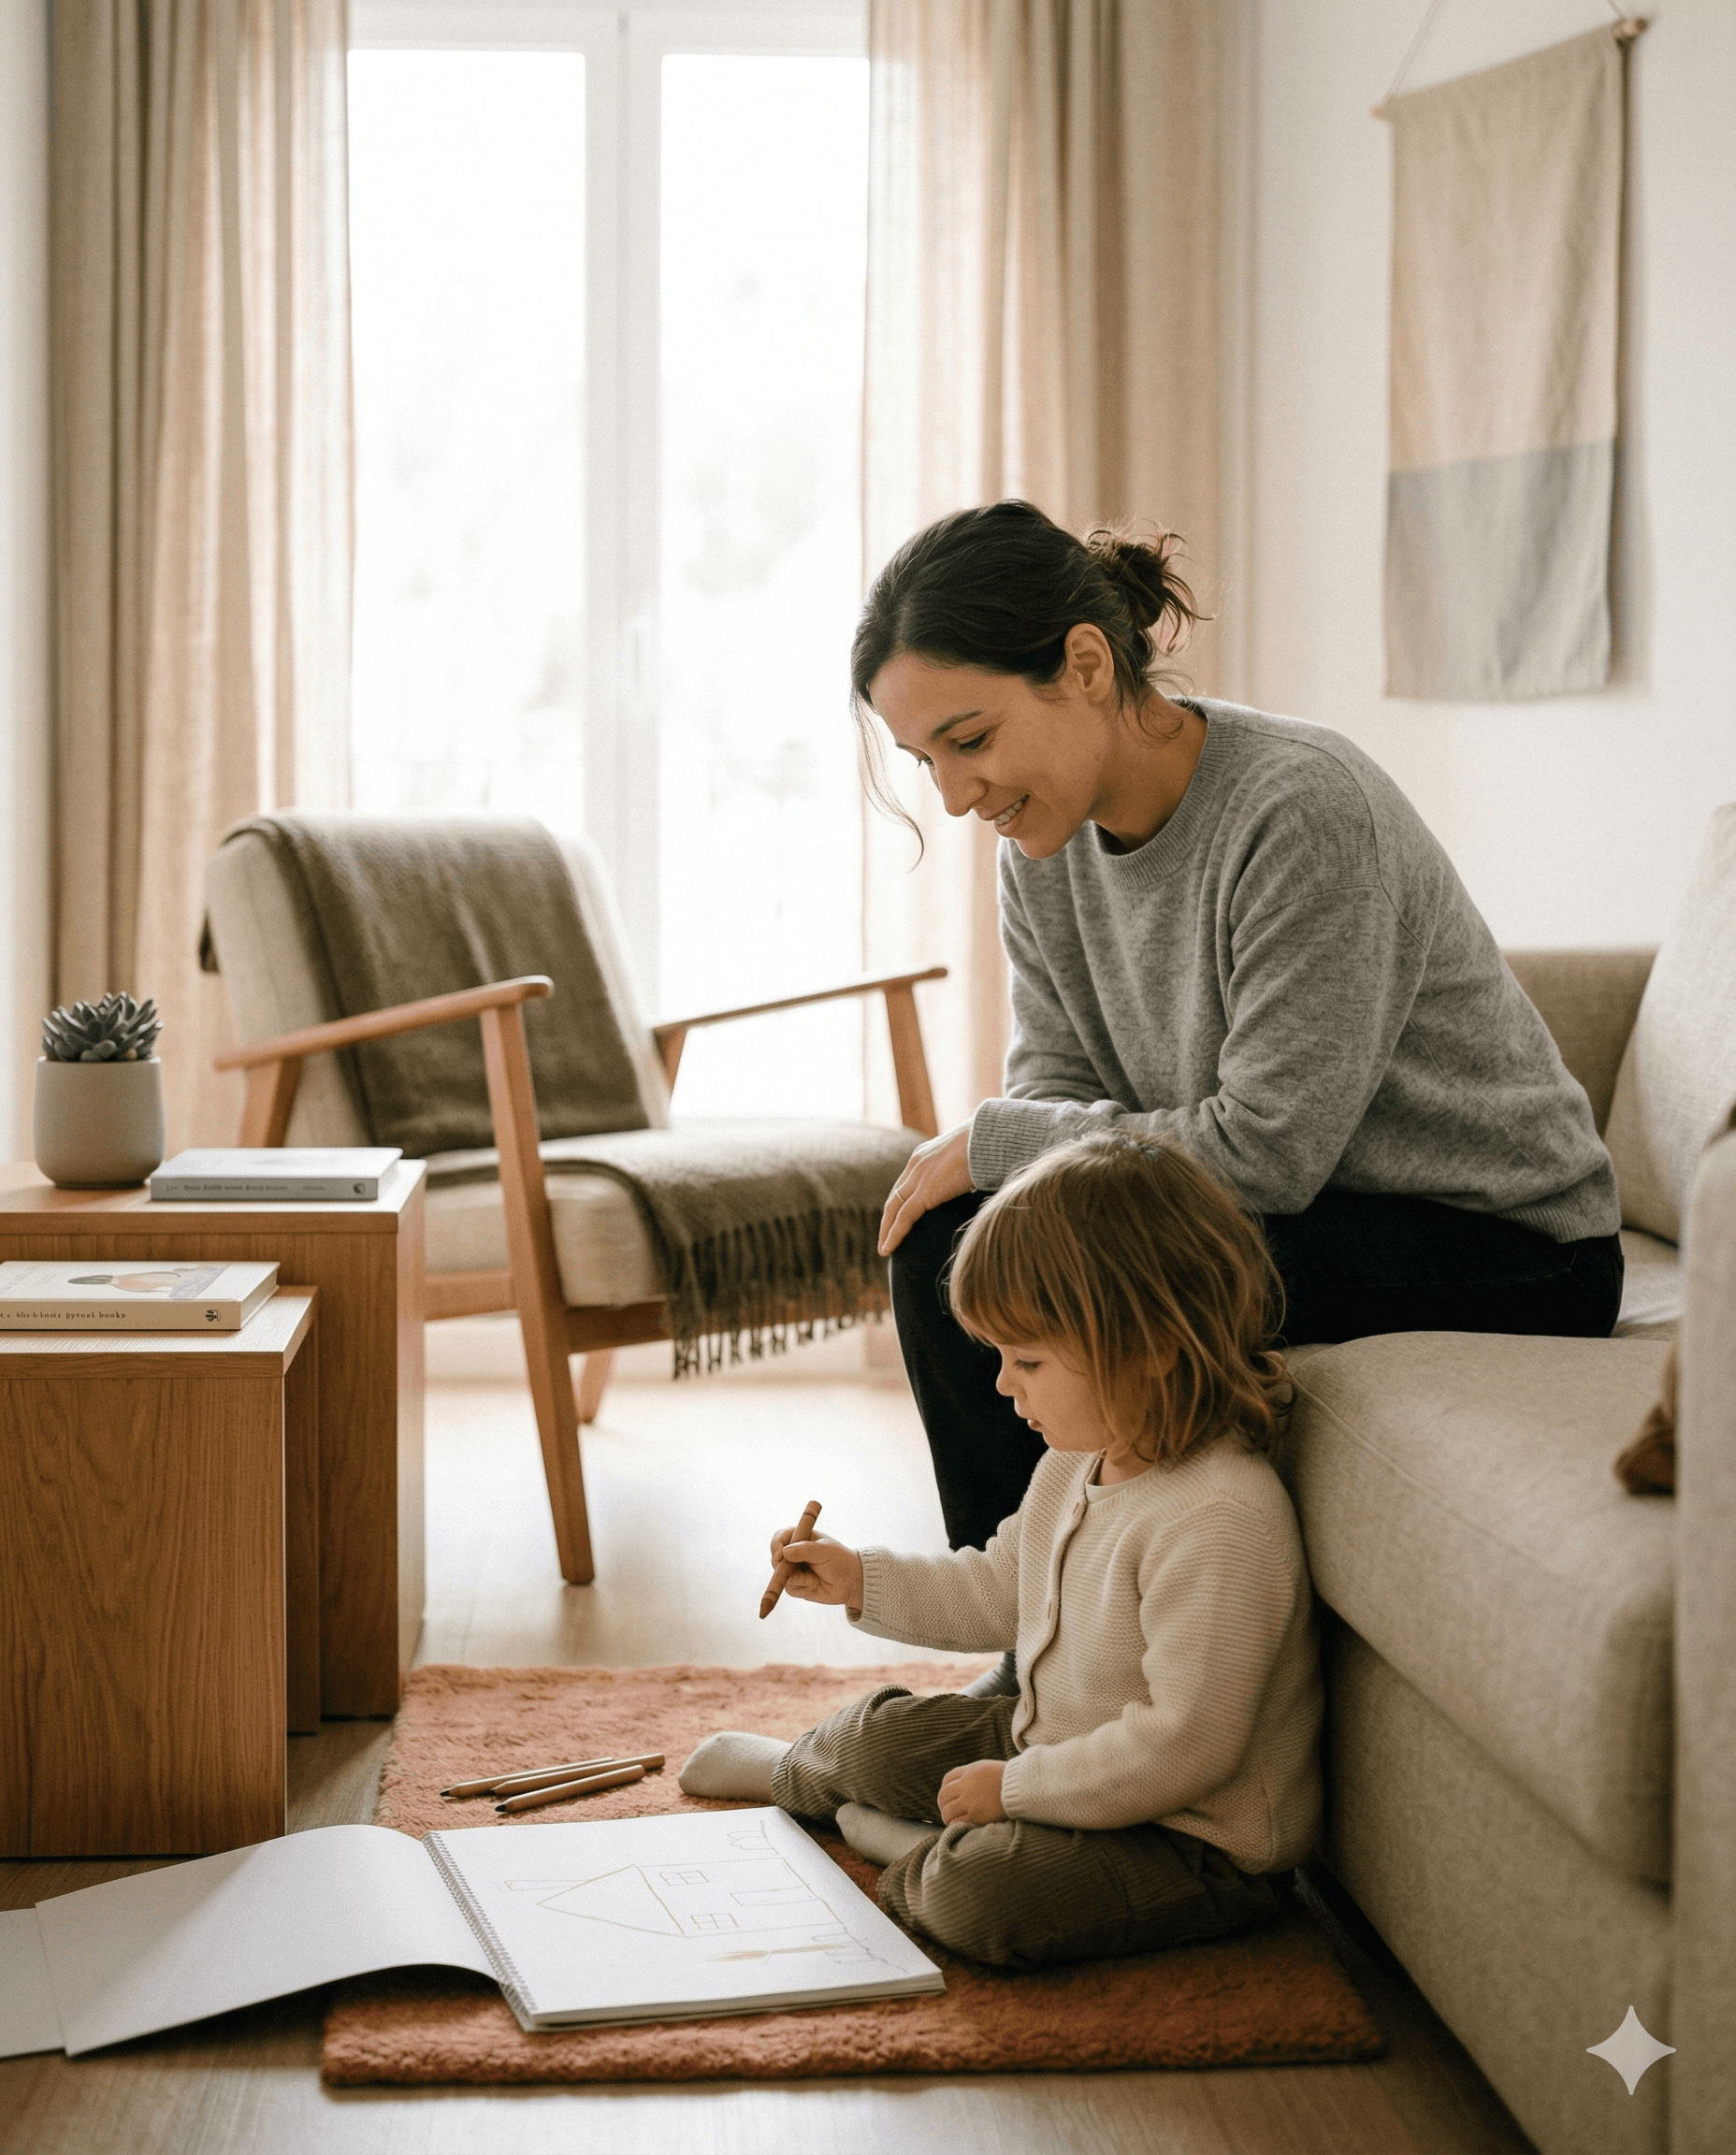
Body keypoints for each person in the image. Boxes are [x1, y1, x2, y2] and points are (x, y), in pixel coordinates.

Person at [851, 499, 1624, 1693]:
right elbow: (1055, 1082)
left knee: (1033, 1235)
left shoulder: (1297, 808)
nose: (956, 794)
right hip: (1283, 1210)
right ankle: (1035, 1649)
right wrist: (1007, 1172)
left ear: (1086, 664)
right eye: (927, 762)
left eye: (969, 739)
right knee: (954, 1250)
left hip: (1500, 1243)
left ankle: (1073, 1679)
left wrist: (997, 1144)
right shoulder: (1038, 853)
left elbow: (1265, 1153)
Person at [678, 1134, 1322, 1971]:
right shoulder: (1074, 1465)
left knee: (979, 1896)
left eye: (1027, 1360)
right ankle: (799, 1774)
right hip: (1050, 1747)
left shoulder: (1222, 1519)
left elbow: (1184, 1748)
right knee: (883, 1740)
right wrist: (859, 1579)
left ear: (1153, 1345)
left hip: (1184, 1836)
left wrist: (1013, 1791)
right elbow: (996, 1586)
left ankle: (908, 1854)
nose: (1002, 1386)